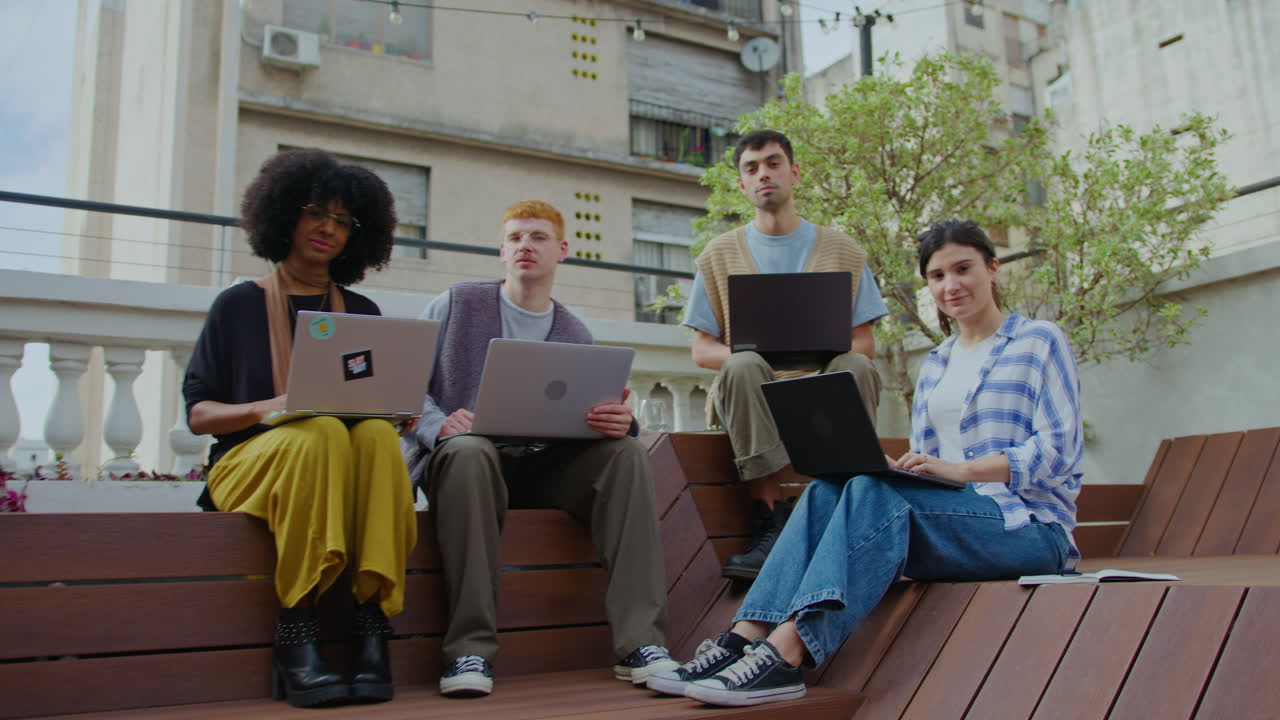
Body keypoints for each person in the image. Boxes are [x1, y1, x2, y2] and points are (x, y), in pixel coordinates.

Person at [650, 219, 1082, 706]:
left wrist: (964, 470)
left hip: (1028, 528)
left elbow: (1060, 451)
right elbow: (928, 461)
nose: (951, 285)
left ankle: (787, 654)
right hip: (952, 521)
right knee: (829, 488)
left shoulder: (1038, 341)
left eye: (963, 269)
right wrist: (900, 467)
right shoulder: (937, 363)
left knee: (872, 494)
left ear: (993, 268)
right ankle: (744, 636)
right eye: (937, 276)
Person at [402, 200, 676, 698]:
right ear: (502, 250)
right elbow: (402, 385)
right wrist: (440, 425)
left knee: (630, 454)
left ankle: (641, 643)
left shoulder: (576, 332)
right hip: (467, 465)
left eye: (538, 237)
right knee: (469, 451)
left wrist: (620, 422)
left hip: (543, 467)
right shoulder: (457, 303)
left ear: (562, 250)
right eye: (516, 238)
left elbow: (587, 414)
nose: (525, 245)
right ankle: (469, 649)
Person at [183, 149, 418, 708]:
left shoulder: (359, 309)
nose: (328, 229)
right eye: (317, 212)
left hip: (338, 458)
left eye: (343, 221)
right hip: (249, 465)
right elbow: (198, 415)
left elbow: (367, 406)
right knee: (321, 433)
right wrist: (269, 407)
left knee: (377, 437)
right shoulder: (236, 306)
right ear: (285, 213)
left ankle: (370, 625)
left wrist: (393, 408)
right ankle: (297, 630)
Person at [683, 129, 889, 580]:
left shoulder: (844, 250)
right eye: (751, 168)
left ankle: (835, 513)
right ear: (741, 184)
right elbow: (702, 349)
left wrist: (818, 358)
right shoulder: (718, 255)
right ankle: (769, 519)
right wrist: (758, 353)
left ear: (794, 172)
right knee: (741, 363)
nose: (764, 174)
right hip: (752, 389)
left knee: (858, 364)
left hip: (824, 386)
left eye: (773, 163)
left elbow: (866, 341)